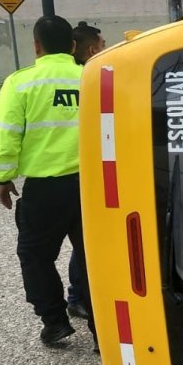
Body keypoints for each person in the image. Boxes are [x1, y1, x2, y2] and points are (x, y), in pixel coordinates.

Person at [0, 15, 93, 347]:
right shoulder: (93, 78)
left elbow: (4, 136)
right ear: (73, 46)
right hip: (94, 187)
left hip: (45, 191)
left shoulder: (21, 83)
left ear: (36, 46)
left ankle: (55, 322)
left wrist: (2, 179)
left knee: (36, 258)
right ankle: (104, 330)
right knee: (95, 257)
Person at [64, 21, 105, 321]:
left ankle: (76, 298)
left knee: (83, 242)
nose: (105, 49)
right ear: (92, 49)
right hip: (86, 176)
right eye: (102, 45)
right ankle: (78, 297)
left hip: (55, 177)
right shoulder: (90, 81)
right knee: (86, 242)